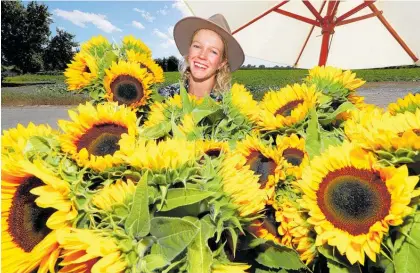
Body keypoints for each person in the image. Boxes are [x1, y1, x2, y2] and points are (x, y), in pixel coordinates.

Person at [159, 14, 245, 101]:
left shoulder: (227, 108)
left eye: (213, 52)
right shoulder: (166, 96)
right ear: (189, 51)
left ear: (221, 63)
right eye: (197, 46)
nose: (202, 56)